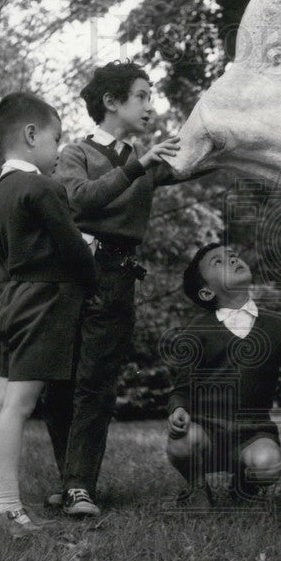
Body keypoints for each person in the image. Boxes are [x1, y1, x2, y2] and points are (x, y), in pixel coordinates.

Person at [44, 61, 181, 517]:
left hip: (119, 276)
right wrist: (139, 165)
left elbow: (200, 160)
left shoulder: (150, 160)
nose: (150, 105)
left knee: (97, 383)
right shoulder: (74, 154)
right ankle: (72, 481)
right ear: (110, 102)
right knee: (61, 382)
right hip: (71, 272)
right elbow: (79, 199)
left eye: (150, 95)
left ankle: (78, 484)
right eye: (142, 95)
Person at [0, 92, 98, 537]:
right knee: (20, 406)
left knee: (2, 400)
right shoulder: (43, 188)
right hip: (45, 302)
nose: (58, 151)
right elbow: (71, 247)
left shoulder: (3, 191)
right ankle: (8, 509)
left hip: (16, 297)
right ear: (31, 135)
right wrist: (90, 263)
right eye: (56, 140)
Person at [166, 243, 281, 511]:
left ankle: (244, 486)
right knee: (182, 444)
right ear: (207, 291)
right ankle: (197, 487)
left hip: (252, 432)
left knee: (269, 465)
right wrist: (178, 410)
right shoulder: (197, 330)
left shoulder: (277, 324)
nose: (233, 258)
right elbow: (182, 388)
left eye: (232, 255)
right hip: (207, 432)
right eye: (218, 262)